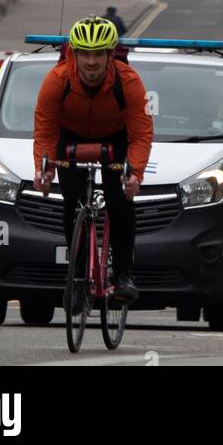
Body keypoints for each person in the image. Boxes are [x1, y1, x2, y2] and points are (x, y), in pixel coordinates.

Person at [32, 17, 153, 303]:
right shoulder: (56, 80)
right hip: (70, 135)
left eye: (98, 54)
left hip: (116, 137)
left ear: (111, 56)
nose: (91, 62)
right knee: (72, 204)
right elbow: (45, 131)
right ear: (73, 54)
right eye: (84, 53)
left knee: (120, 199)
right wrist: (43, 169)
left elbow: (141, 134)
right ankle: (76, 278)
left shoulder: (130, 82)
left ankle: (123, 275)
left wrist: (134, 173)